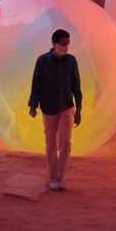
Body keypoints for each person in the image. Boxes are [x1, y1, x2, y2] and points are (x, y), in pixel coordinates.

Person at [27, 29, 83, 192]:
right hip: (48, 107)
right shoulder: (42, 61)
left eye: (67, 43)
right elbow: (36, 83)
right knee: (50, 142)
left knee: (65, 143)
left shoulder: (71, 61)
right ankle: (52, 178)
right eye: (62, 43)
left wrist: (79, 108)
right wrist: (33, 105)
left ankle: (60, 177)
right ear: (54, 43)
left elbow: (76, 86)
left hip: (67, 106)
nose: (65, 47)